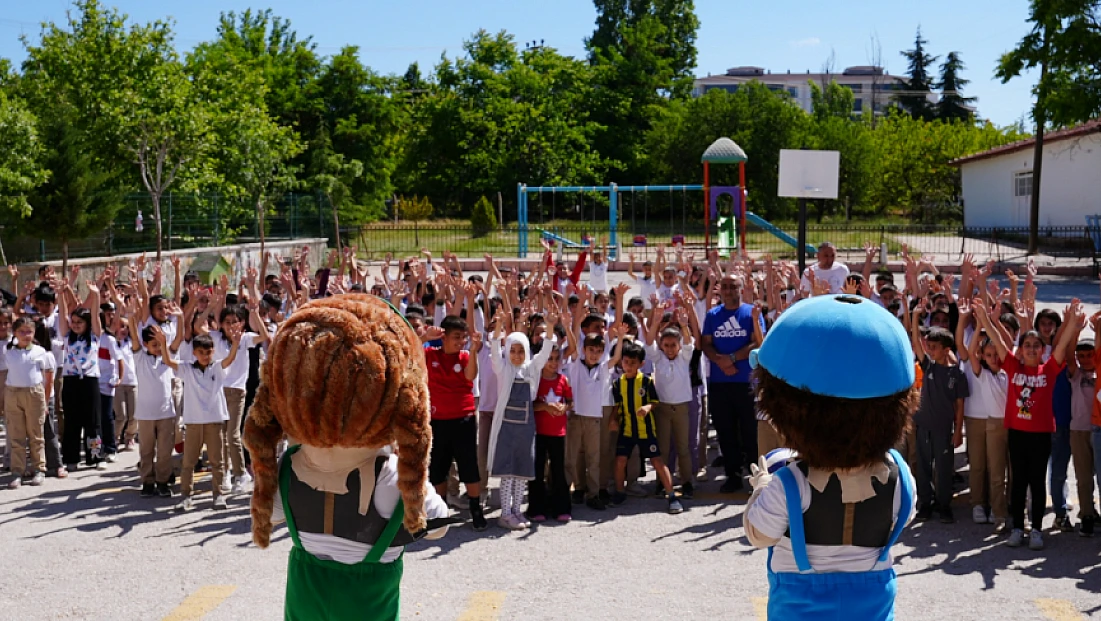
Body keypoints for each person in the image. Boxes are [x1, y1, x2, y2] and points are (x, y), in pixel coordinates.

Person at [243, 294, 454, 621]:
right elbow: (438, 524)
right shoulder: (392, 476)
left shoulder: (288, 466)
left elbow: (270, 516)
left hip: (305, 602)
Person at [746, 294, 917, 621]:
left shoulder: (789, 483)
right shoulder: (901, 475)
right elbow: (902, 519)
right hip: (872, 607)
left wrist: (762, 486)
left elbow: (760, 534)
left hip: (799, 606)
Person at [978, 298, 1082, 550]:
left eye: (1036, 345)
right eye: (1027, 345)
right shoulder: (1013, 365)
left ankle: (1036, 529)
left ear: (1041, 349)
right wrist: (985, 319)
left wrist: (1072, 323)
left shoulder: (1048, 370)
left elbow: (1062, 344)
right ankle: (1017, 528)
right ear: (1021, 349)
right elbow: (1000, 341)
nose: (1032, 349)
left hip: (1041, 435)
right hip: (1017, 433)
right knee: (1018, 482)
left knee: (1037, 483)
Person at [486, 317, 557, 530]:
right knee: (508, 472)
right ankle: (505, 513)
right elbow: (495, 353)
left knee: (521, 472)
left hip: (525, 428)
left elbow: (545, 353)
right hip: (506, 428)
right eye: (513, 350)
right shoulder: (504, 369)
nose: (517, 355)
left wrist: (551, 327)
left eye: (521, 351)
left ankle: (517, 510)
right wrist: (499, 329)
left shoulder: (531, 369)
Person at [159, 329, 240, 512]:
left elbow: (230, 359)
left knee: (217, 460)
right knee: (189, 461)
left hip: (214, 420)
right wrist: (164, 344)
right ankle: (186, 496)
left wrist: (235, 344)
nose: (205, 356)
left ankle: (218, 495)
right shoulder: (187, 368)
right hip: (194, 421)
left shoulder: (218, 367)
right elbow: (168, 361)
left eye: (209, 351)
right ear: (194, 353)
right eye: (201, 352)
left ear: (213, 351)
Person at [700, 274, 765, 492]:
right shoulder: (712, 315)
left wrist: (733, 358)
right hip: (720, 382)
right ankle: (733, 474)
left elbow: (758, 341)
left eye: (733, 286)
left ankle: (756, 474)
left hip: (745, 381)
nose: (728, 290)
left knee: (750, 431)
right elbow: (705, 343)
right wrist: (720, 360)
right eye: (725, 287)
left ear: (741, 289)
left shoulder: (751, 313)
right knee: (725, 431)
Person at [423, 314, 487, 530]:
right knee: (438, 468)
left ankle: (475, 508)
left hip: (463, 419)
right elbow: (407, 350)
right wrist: (423, 337)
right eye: (456, 337)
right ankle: (440, 511)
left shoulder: (466, 356)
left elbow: (471, 377)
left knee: (468, 466)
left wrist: (474, 352)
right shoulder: (429, 354)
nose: (461, 341)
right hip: (437, 421)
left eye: (463, 337)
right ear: (444, 337)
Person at [607, 339, 684, 515]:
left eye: (633, 363)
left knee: (657, 461)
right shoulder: (618, 384)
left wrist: (647, 407)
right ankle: (620, 492)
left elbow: (655, 402)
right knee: (620, 461)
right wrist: (613, 419)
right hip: (627, 430)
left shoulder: (647, 382)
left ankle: (672, 495)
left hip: (645, 430)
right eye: (626, 362)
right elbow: (617, 405)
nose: (628, 366)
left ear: (641, 364)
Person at [908, 314, 969, 524]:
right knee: (923, 466)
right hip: (923, 426)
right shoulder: (928, 367)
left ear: (946, 350)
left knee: (943, 468)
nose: (930, 350)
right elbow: (916, 342)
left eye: (934, 347)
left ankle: (944, 505)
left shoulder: (957, 375)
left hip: (944, 429)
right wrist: (915, 315)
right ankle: (925, 503)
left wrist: (958, 431)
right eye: (929, 346)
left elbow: (959, 405)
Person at [956, 300, 1010, 532]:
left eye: (995, 354)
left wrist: (993, 321)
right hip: (977, 417)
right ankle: (979, 504)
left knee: (997, 469)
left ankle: (998, 511)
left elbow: (1005, 345)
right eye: (987, 354)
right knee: (978, 465)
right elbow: (968, 350)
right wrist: (979, 325)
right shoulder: (979, 369)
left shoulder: (1008, 370)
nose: (993, 358)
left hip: (1001, 422)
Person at [644, 300, 700, 499]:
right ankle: (662, 482)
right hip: (662, 408)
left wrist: (684, 324)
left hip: (682, 408)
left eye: (673, 345)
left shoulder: (684, 357)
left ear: (678, 346)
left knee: (683, 447)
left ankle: (686, 482)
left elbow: (688, 342)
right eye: (666, 345)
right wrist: (656, 321)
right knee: (664, 448)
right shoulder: (658, 358)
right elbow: (649, 342)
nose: (669, 349)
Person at [563, 326, 623, 511]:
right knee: (571, 458)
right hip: (575, 417)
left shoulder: (603, 369)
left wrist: (620, 339)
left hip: (594, 419)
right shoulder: (575, 364)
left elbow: (615, 359)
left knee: (593, 459)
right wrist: (569, 325)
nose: (594, 354)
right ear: (584, 350)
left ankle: (593, 494)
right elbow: (572, 348)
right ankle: (565, 494)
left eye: (598, 351)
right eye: (591, 350)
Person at [126, 305, 181, 498]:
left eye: (160, 344)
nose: (158, 349)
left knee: (165, 451)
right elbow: (134, 337)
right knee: (146, 451)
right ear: (146, 345)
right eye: (154, 345)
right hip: (146, 414)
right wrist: (132, 318)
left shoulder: (168, 357)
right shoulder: (140, 357)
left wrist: (165, 342)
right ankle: (147, 481)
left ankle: (163, 481)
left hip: (166, 413)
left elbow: (178, 340)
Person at [57, 281, 105, 471]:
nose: (76, 325)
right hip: (70, 380)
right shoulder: (67, 336)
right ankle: (71, 458)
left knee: (93, 420)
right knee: (72, 420)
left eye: (80, 322)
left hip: (90, 380)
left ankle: (95, 456)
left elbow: (95, 315)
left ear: (87, 324)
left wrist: (96, 295)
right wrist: (60, 294)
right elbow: (62, 315)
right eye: (74, 322)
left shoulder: (94, 336)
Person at [4, 317, 54, 488]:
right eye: (22, 331)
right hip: (13, 393)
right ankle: (17, 471)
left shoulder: (40, 352)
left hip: (34, 393)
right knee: (16, 434)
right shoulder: (8, 351)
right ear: (15, 333)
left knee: (36, 434)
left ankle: (39, 468)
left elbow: (48, 377)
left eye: (29, 332)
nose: (26, 335)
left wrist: (45, 401)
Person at [528, 345, 574, 523]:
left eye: (556, 358)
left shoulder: (563, 379)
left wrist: (565, 407)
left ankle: (561, 507)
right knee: (537, 471)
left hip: (558, 433)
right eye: (550, 358)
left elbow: (570, 401)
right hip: (538, 432)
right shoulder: (536, 380)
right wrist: (545, 406)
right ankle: (536, 508)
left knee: (558, 471)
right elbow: (531, 405)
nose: (553, 363)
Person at [1064, 322, 1097, 538]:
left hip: (1098, 430)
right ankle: (1086, 514)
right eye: (1081, 356)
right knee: (1084, 477)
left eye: (1089, 355)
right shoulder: (1075, 376)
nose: (1085, 359)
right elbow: (1068, 355)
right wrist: (1075, 331)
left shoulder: (1099, 373)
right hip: (1078, 430)